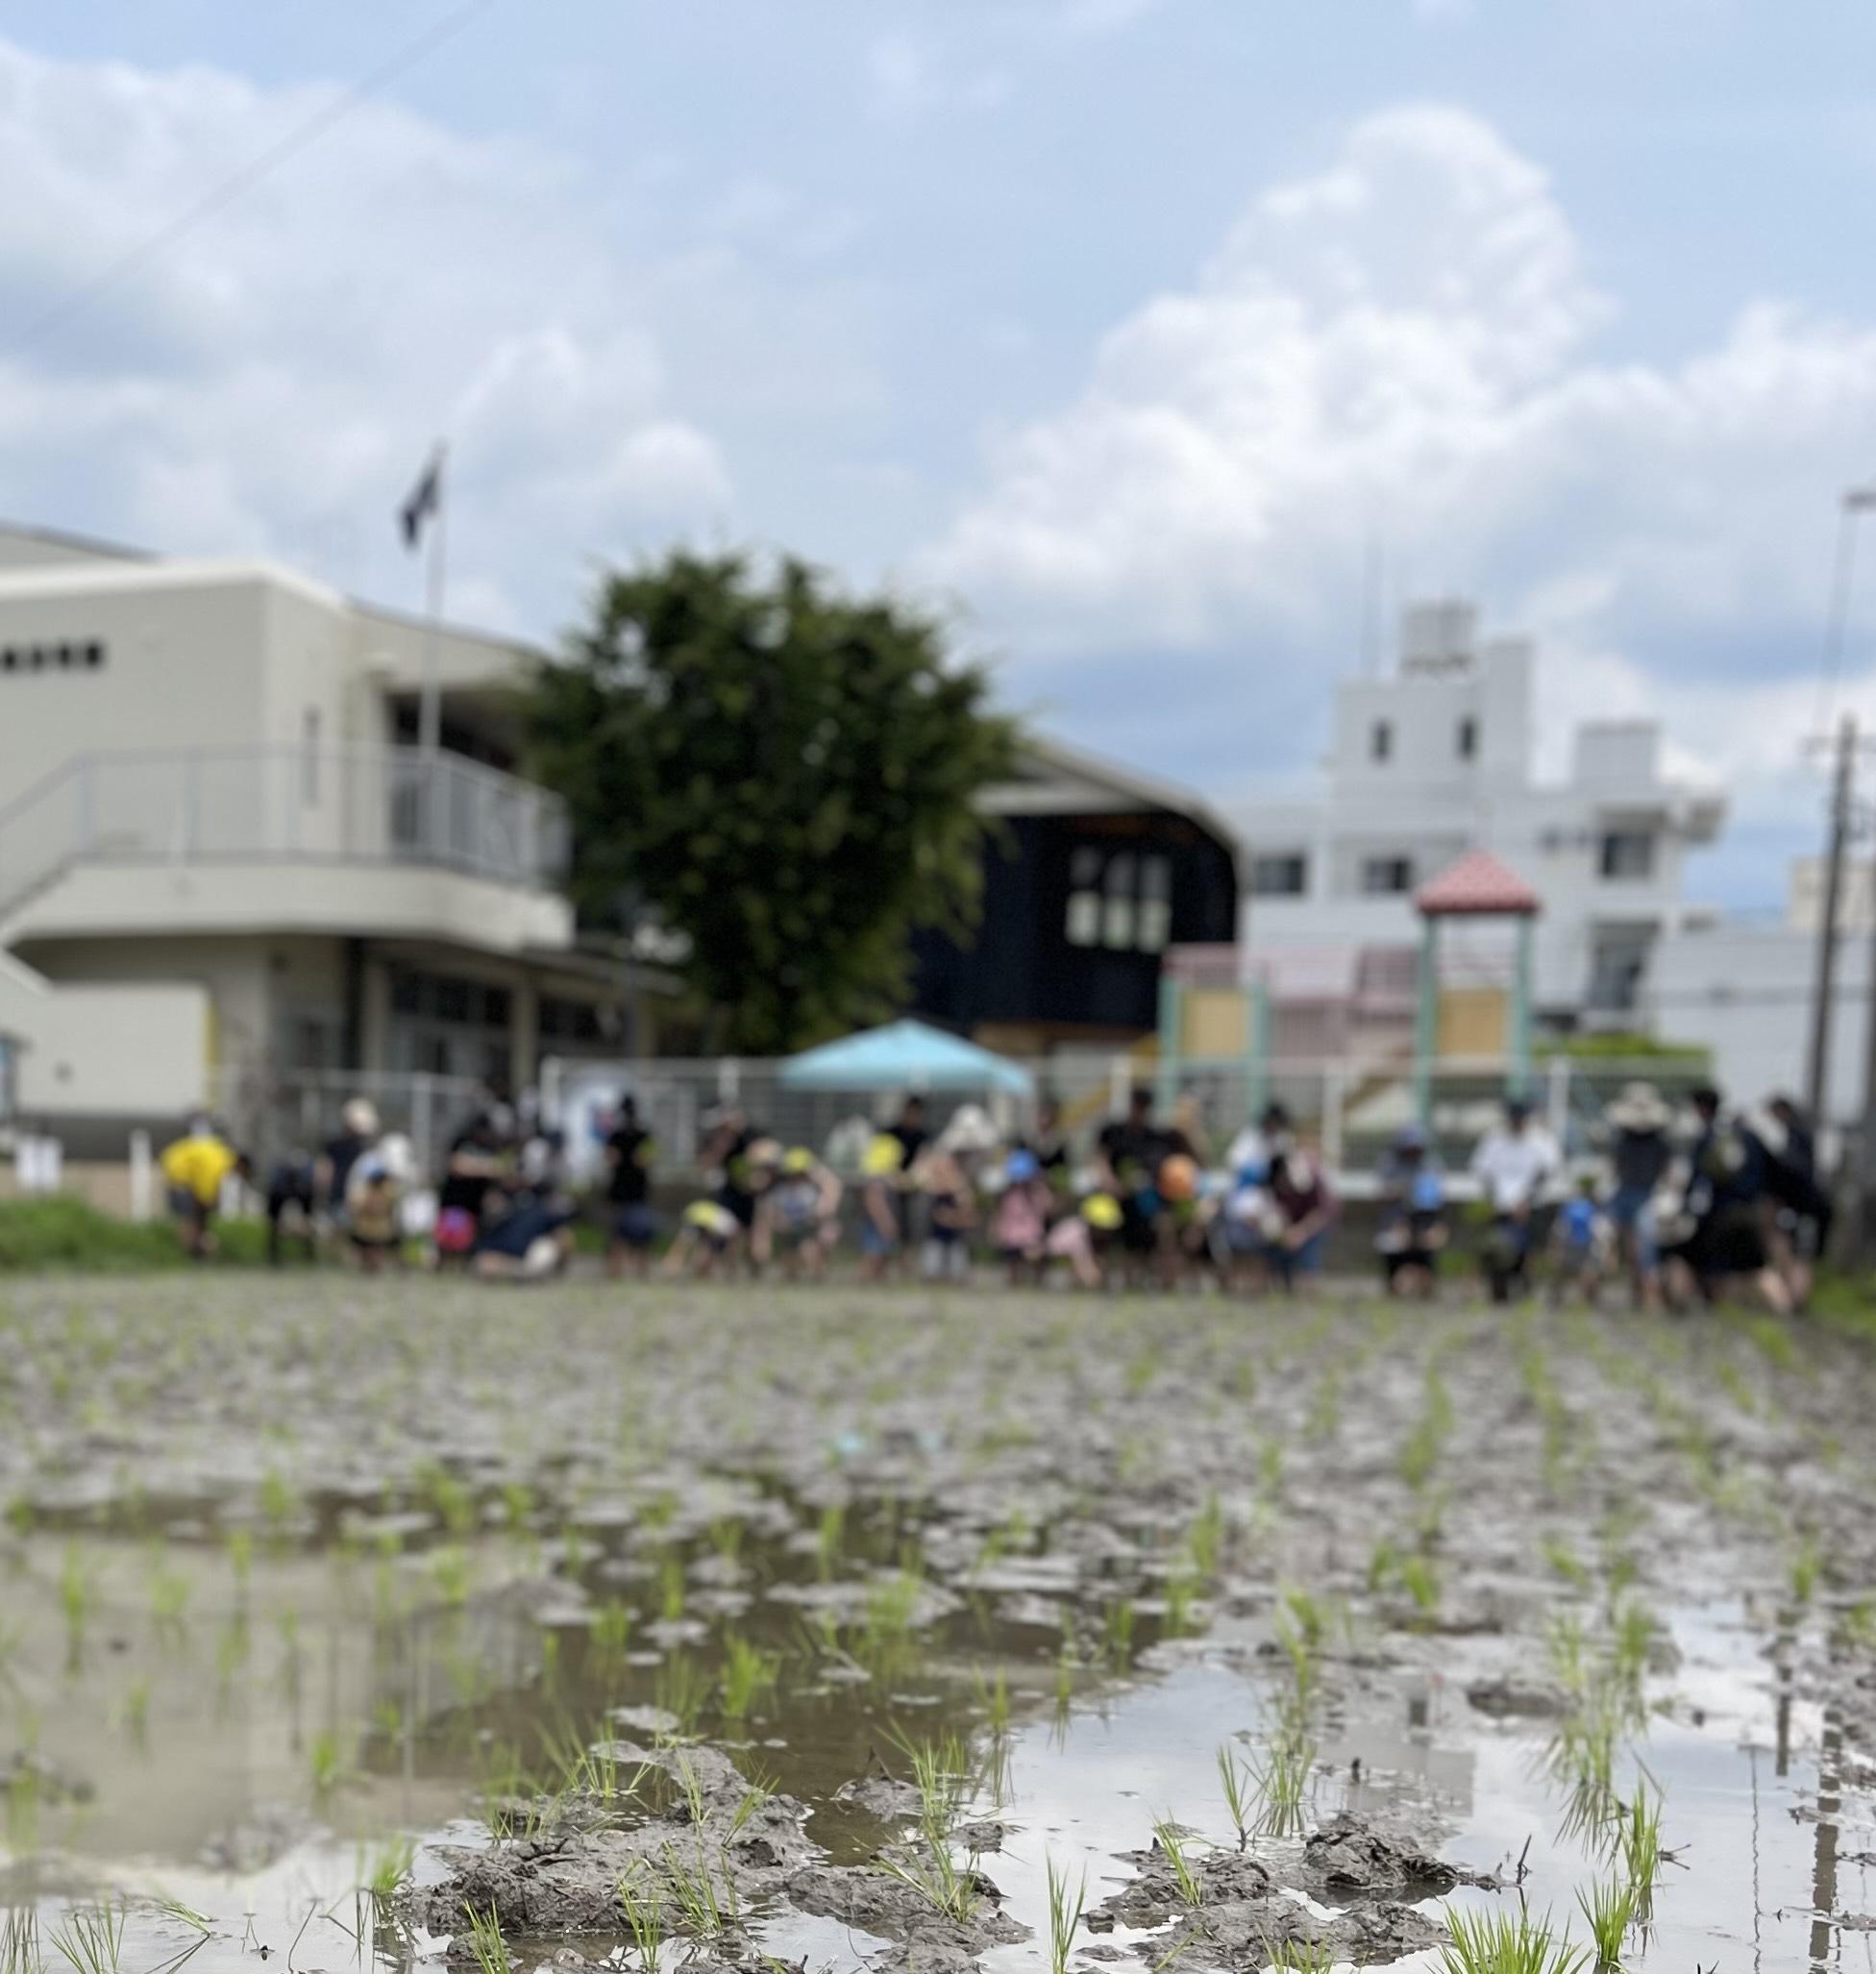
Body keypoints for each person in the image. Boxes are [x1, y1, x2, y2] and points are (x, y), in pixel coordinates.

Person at [1663, 1086, 1790, 1316]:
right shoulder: (1751, 1137)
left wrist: (1684, 1208)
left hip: (1719, 1214)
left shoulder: (1708, 1138)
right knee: (1758, 1267)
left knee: (1718, 1268)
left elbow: (1695, 1180)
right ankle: (1785, 1310)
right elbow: (1776, 1173)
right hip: (1752, 1211)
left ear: (1701, 1109)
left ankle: (1719, 1313)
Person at [1469, 1097, 1560, 1304]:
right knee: (1499, 1251)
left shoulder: (1540, 1140)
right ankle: (1499, 1291)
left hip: (1531, 1205)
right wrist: (1494, 1201)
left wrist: (1525, 1200)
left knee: (1529, 1250)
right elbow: (1484, 1172)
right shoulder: (1494, 1140)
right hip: (1501, 1206)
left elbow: (1545, 1172)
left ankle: (1527, 1286)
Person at [1601, 1081, 1673, 1311]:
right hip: (1628, 1195)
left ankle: (1651, 1295)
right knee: (1631, 1248)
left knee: (1643, 1248)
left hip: (1645, 1197)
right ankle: (1638, 1292)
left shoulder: (1657, 1143)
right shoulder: (1624, 1140)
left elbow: (1665, 1172)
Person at [1763, 1095, 1833, 1313]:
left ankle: (1794, 1303)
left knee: (1801, 1256)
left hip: (1805, 1208)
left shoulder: (1795, 1137)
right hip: (1802, 1208)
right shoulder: (1798, 1135)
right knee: (1798, 1255)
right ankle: (1793, 1301)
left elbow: (1797, 1172)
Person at [1259, 1104, 1338, 1295]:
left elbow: (1321, 1212)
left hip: (1316, 1222)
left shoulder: (1306, 1175)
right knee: (1276, 1247)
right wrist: (1282, 1231)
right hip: (1291, 1223)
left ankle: (1308, 1288)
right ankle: (1282, 1286)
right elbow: (1274, 1210)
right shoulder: (1273, 1177)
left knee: (1308, 1251)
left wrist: (1301, 1232)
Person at [158, 1118, 249, 1260]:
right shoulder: (221, 1163)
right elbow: (205, 1187)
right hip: (178, 1173)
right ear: (241, 1165)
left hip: (178, 1167)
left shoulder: (223, 1155)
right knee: (190, 1217)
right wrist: (208, 1202)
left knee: (196, 1216)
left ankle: (194, 1248)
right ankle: (189, 1250)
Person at [1376, 1124, 1446, 1300]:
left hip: (1423, 1222)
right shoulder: (1390, 1165)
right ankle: (1394, 1280)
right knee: (1392, 1241)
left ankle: (1425, 1281)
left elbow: (1433, 1204)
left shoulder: (1430, 1166)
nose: (1411, 1152)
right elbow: (1386, 1195)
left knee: (1428, 1240)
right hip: (1395, 1223)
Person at [753, 1147, 844, 1279]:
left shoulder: (813, 1191)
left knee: (809, 1250)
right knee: (789, 1264)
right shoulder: (780, 1191)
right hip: (787, 1229)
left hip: (806, 1229)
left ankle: (819, 1276)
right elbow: (769, 1215)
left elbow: (831, 1186)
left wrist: (819, 1217)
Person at [436, 1114, 506, 1269]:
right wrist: (484, 1167)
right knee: (448, 1237)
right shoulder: (462, 1142)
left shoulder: (491, 1146)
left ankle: (465, 1265)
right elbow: (456, 1165)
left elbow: (499, 1169)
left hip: (476, 1203)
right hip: (455, 1201)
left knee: (471, 1239)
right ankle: (442, 1265)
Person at [604, 1098, 660, 1279]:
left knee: (644, 1232)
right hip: (619, 1191)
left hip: (638, 1191)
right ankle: (616, 1270)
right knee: (618, 1234)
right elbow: (610, 1159)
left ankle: (642, 1270)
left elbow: (648, 1159)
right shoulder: (615, 1136)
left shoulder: (644, 1136)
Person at [317, 1098, 381, 1246]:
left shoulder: (362, 1149)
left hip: (356, 1192)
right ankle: (337, 1255)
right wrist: (324, 1187)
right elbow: (326, 1168)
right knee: (337, 1225)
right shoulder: (335, 1145)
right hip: (338, 1190)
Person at [1547, 1172, 1613, 1307]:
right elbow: (1605, 1235)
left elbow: (1558, 1231)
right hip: (1581, 1245)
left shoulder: (1571, 1208)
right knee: (1581, 1274)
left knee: (1569, 1274)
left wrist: (1555, 1249)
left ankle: (1563, 1298)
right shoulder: (1594, 1210)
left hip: (1577, 1245)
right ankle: (1587, 1300)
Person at [990, 1148, 1052, 1285]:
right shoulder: (1007, 1194)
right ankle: (1014, 1281)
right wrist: (996, 1231)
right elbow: (1000, 1214)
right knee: (1012, 1258)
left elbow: (1048, 1208)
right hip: (1011, 1236)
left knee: (1036, 1253)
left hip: (1032, 1235)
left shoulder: (1038, 1192)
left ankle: (1037, 1281)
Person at [856, 1131, 909, 1281]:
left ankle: (877, 1283)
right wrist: (886, 1222)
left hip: (879, 1223)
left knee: (883, 1256)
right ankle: (865, 1282)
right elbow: (874, 1203)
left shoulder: (885, 1178)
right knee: (873, 1255)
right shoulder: (877, 1180)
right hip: (877, 1224)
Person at [345, 1155, 405, 1272]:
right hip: (364, 1230)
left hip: (383, 1229)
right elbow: (356, 1208)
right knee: (366, 1249)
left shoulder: (388, 1190)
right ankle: (367, 1264)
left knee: (386, 1246)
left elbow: (392, 1204)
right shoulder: (360, 1191)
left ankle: (397, 1267)